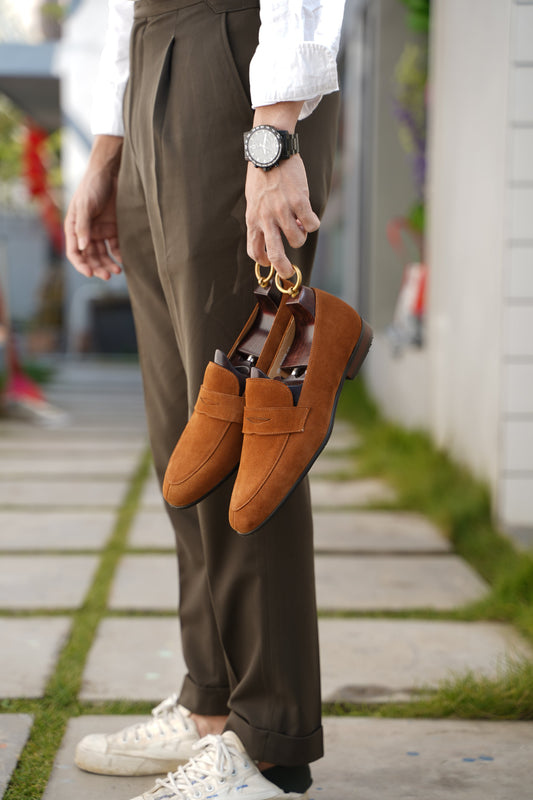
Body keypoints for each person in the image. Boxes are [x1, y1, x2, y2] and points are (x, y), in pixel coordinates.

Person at [65, 1, 346, 798]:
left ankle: (267, 738)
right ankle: (212, 708)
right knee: (185, 439)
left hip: (236, 58)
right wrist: (109, 147)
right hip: (153, 59)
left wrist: (274, 134)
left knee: (247, 418)